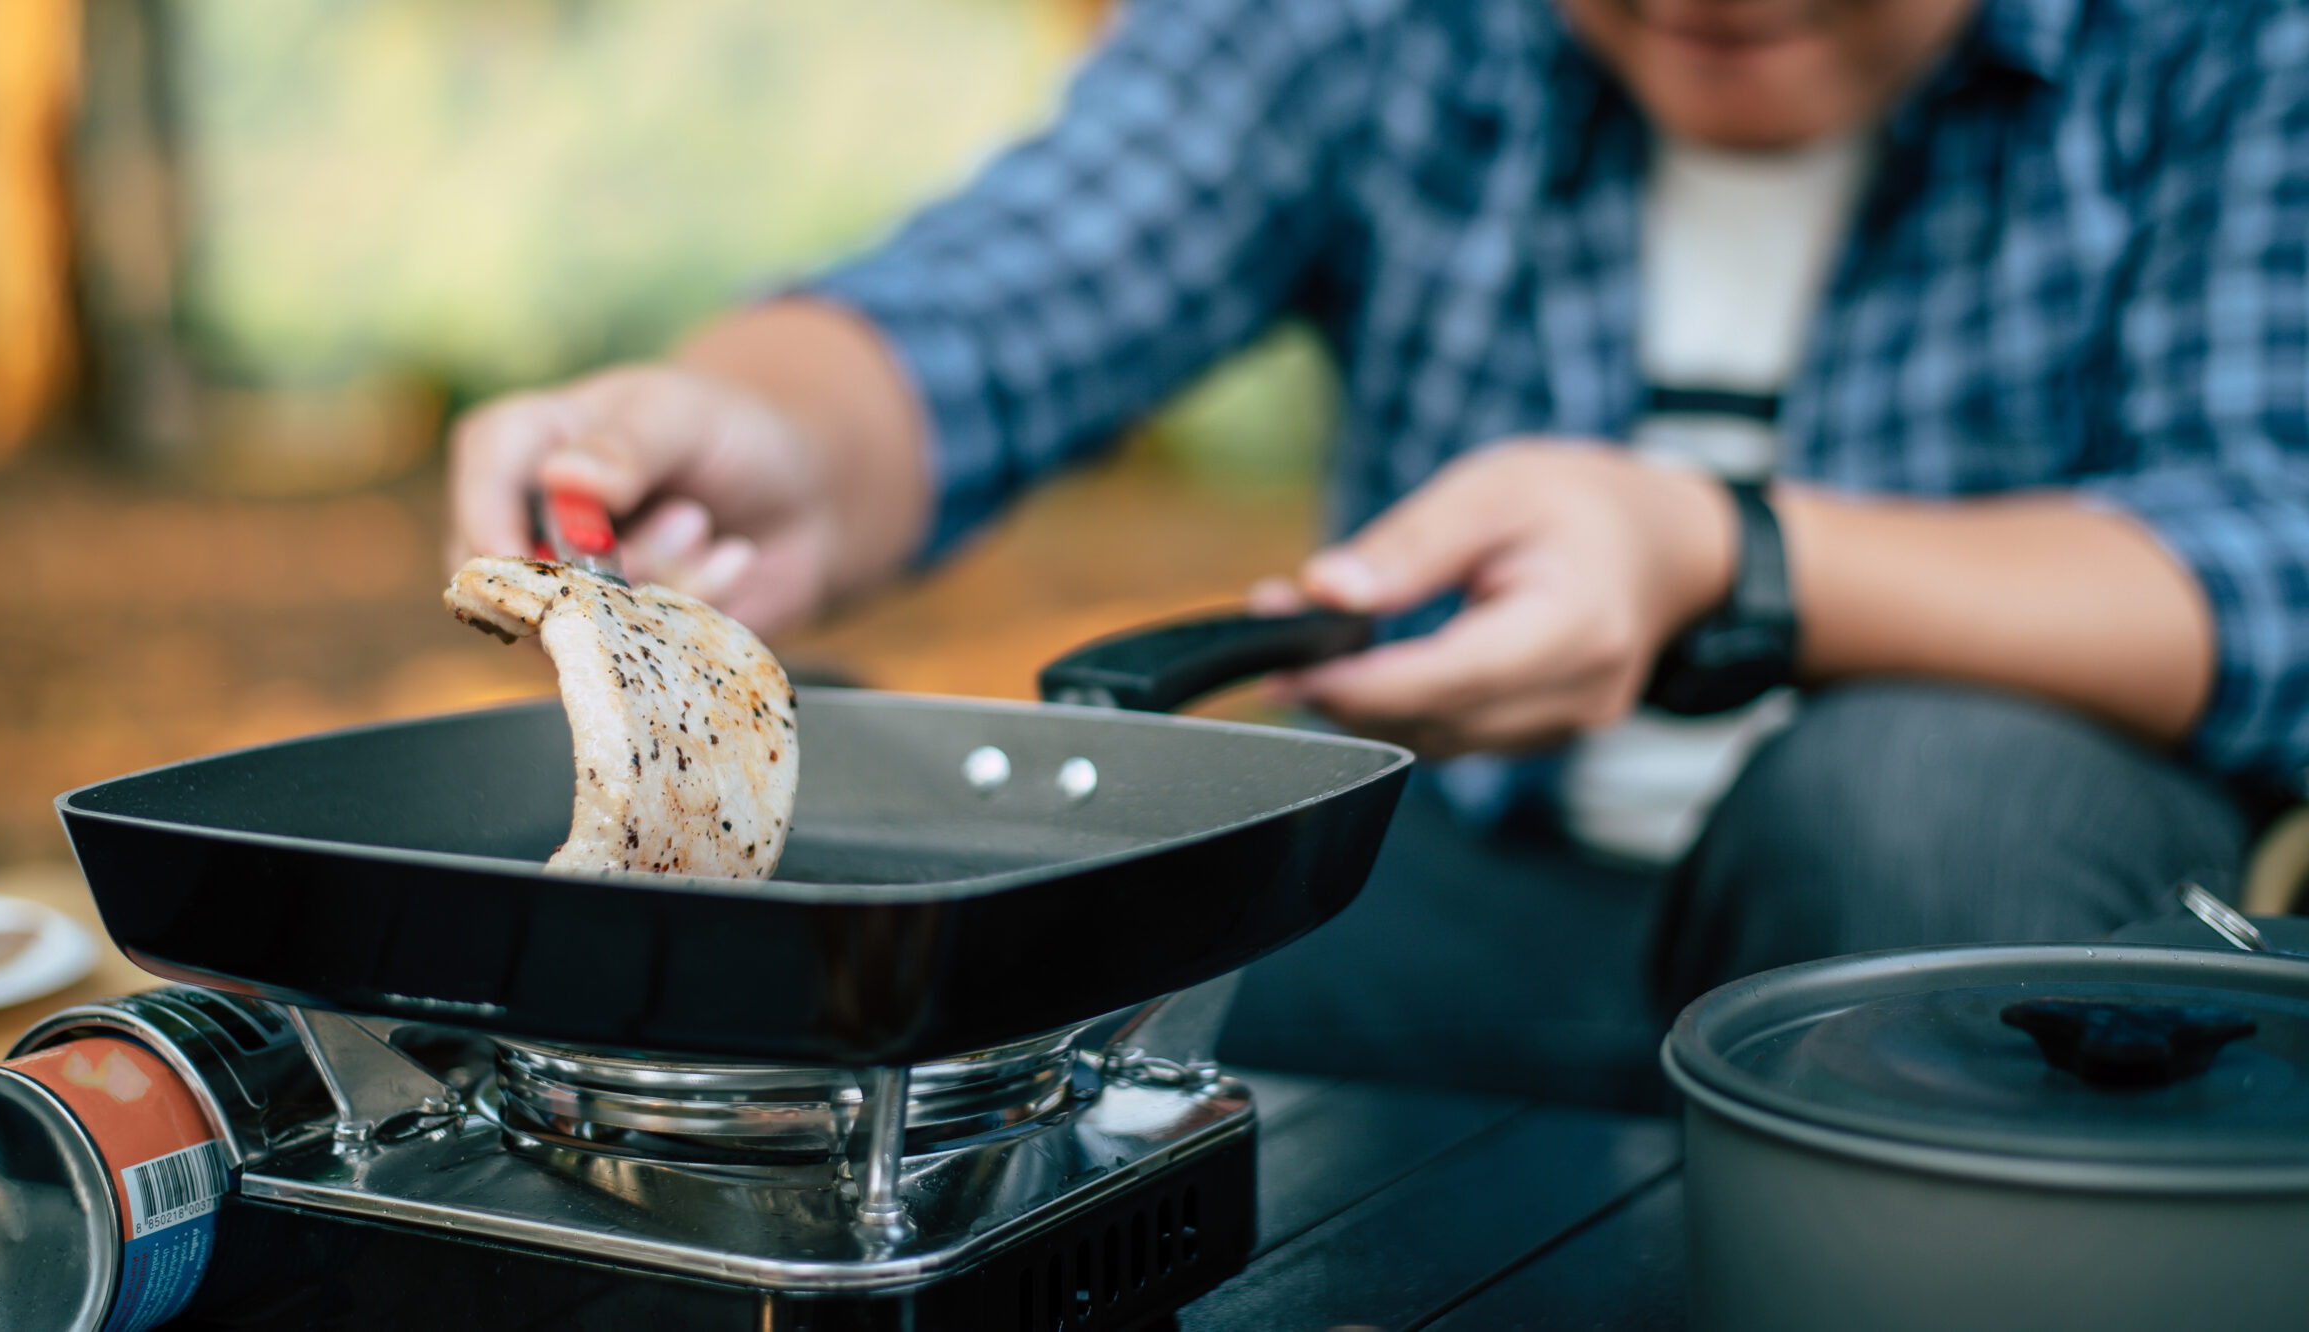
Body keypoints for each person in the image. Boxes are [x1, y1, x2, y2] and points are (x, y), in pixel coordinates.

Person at [448, 0, 2309, 1107]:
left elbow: (2270, 544)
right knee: (895, 889)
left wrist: (1721, 556)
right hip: (1450, 898)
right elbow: (998, 300)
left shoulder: (2225, 42)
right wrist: (752, 428)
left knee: (1924, 798)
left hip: (1959, 918)